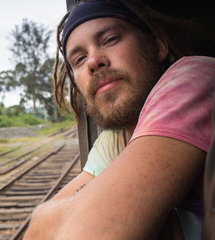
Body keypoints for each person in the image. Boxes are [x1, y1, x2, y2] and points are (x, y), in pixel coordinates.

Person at [23, 0, 215, 239]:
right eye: (79, 59)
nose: (94, 61)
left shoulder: (196, 81)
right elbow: (36, 231)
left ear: (158, 44)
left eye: (111, 39)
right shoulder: (113, 141)